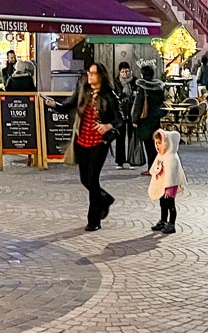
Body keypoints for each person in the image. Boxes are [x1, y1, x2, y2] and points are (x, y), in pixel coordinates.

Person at [46, 64, 121, 232]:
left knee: (93, 180)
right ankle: (105, 198)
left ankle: (93, 220)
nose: (90, 76)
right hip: (82, 141)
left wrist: (107, 126)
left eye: (93, 73)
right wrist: (53, 104)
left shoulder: (109, 96)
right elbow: (69, 105)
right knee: (84, 179)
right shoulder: (84, 91)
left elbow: (120, 119)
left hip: (98, 143)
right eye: (89, 73)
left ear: (101, 76)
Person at [149, 129, 188, 234]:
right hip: (163, 186)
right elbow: (155, 169)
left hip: (170, 187)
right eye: (156, 143)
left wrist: (168, 187)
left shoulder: (171, 158)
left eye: (160, 143)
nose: (157, 146)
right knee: (163, 204)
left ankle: (172, 224)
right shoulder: (161, 156)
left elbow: (172, 175)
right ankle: (163, 221)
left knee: (170, 204)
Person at [132, 64, 165, 173]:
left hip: (145, 119)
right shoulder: (158, 87)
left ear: (142, 74)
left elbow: (139, 104)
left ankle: (151, 168)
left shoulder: (142, 87)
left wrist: (135, 119)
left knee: (148, 145)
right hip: (155, 119)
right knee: (156, 144)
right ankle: (157, 167)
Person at [114, 62, 137, 170]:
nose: (125, 73)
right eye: (122, 71)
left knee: (132, 137)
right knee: (120, 137)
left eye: (126, 71)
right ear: (119, 72)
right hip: (121, 111)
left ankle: (132, 160)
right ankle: (120, 161)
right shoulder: (116, 81)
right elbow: (114, 95)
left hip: (132, 111)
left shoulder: (135, 81)